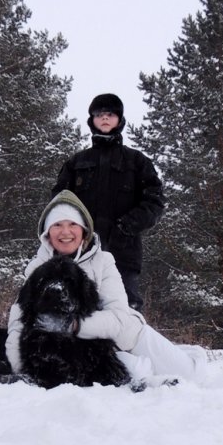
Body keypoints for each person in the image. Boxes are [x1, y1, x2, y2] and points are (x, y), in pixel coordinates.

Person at [5, 190, 206, 383]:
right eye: (57, 224)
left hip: (126, 335)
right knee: (130, 371)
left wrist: (71, 325)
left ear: (84, 230)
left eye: (72, 224)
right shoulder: (37, 268)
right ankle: (137, 367)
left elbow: (117, 318)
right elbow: (18, 322)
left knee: (191, 375)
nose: (65, 232)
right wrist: (19, 367)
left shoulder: (103, 261)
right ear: (47, 233)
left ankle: (188, 353)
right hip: (88, 348)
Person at [52, 93, 165, 311]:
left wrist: (126, 227)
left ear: (119, 120)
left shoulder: (137, 161)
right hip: (79, 251)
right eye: (99, 114)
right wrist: (71, 233)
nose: (105, 118)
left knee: (125, 310)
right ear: (91, 120)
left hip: (124, 253)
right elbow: (59, 203)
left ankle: (127, 347)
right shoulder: (76, 163)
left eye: (110, 114)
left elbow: (155, 201)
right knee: (73, 308)